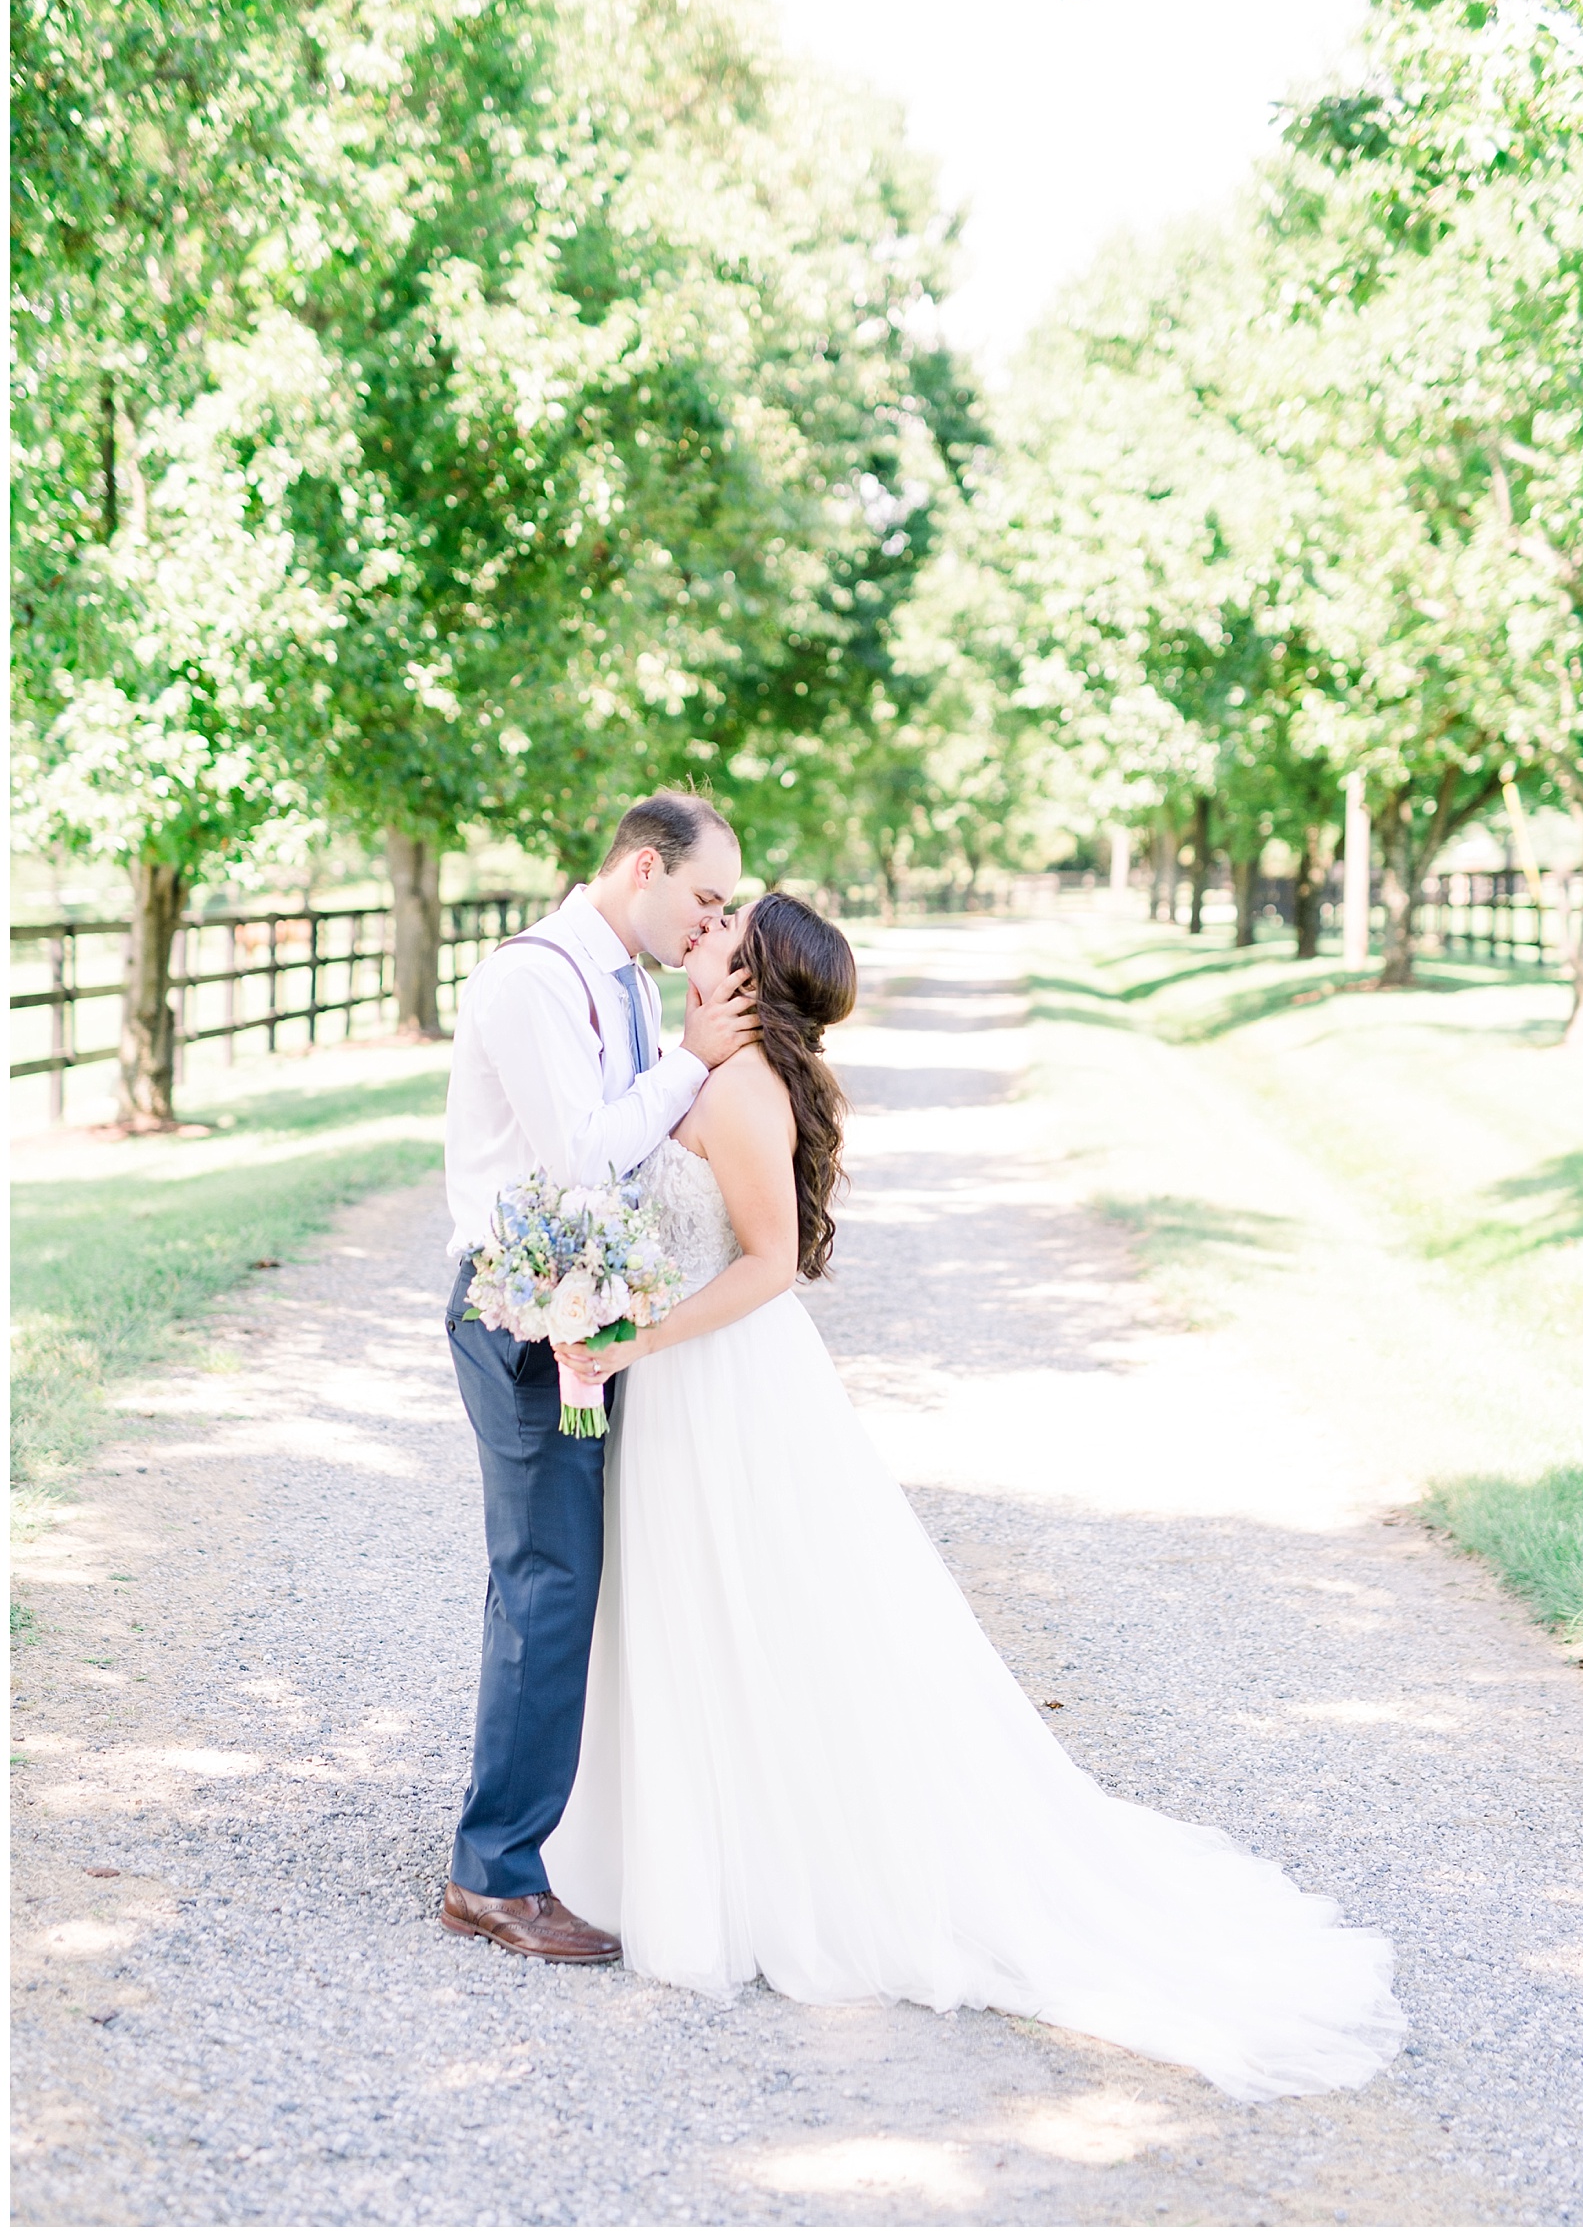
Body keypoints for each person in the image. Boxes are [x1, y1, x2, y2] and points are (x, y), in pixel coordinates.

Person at [543, 889, 1408, 2102]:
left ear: (754, 979)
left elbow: (771, 1265)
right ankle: (685, 1843)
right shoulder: (700, 1068)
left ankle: (772, 1865)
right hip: (683, 1381)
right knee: (700, 1610)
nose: (710, 925)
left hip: (723, 1383)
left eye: (730, 924)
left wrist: (634, 1339)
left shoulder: (739, 1091)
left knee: (754, 1606)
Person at [439, 791, 757, 1963]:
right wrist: (690, 1060)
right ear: (641, 867)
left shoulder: (621, 974)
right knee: (549, 1582)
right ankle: (495, 1875)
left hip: (586, 1301)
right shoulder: (533, 978)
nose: (710, 922)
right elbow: (579, 1155)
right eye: (705, 898)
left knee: (556, 1576)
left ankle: (533, 1836)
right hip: (525, 1312)